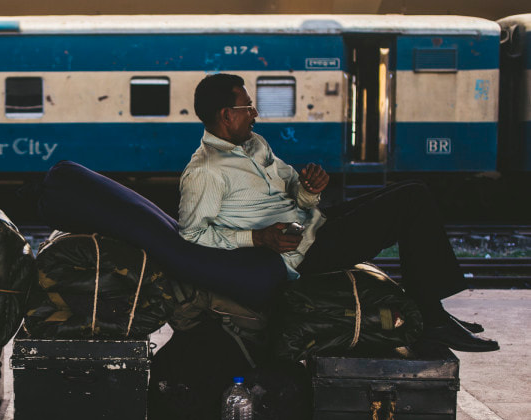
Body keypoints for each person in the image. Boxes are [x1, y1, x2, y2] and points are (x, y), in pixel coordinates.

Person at [179, 73, 498, 352]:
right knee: (412, 200)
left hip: (310, 225)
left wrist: (309, 189)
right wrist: (257, 237)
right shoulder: (205, 172)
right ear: (226, 115)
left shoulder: (253, 146)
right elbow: (193, 237)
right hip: (301, 253)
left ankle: (433, 312)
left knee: (410, 187)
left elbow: (293, 189)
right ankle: (432, 316)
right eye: (247, 107)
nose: (255, 113)